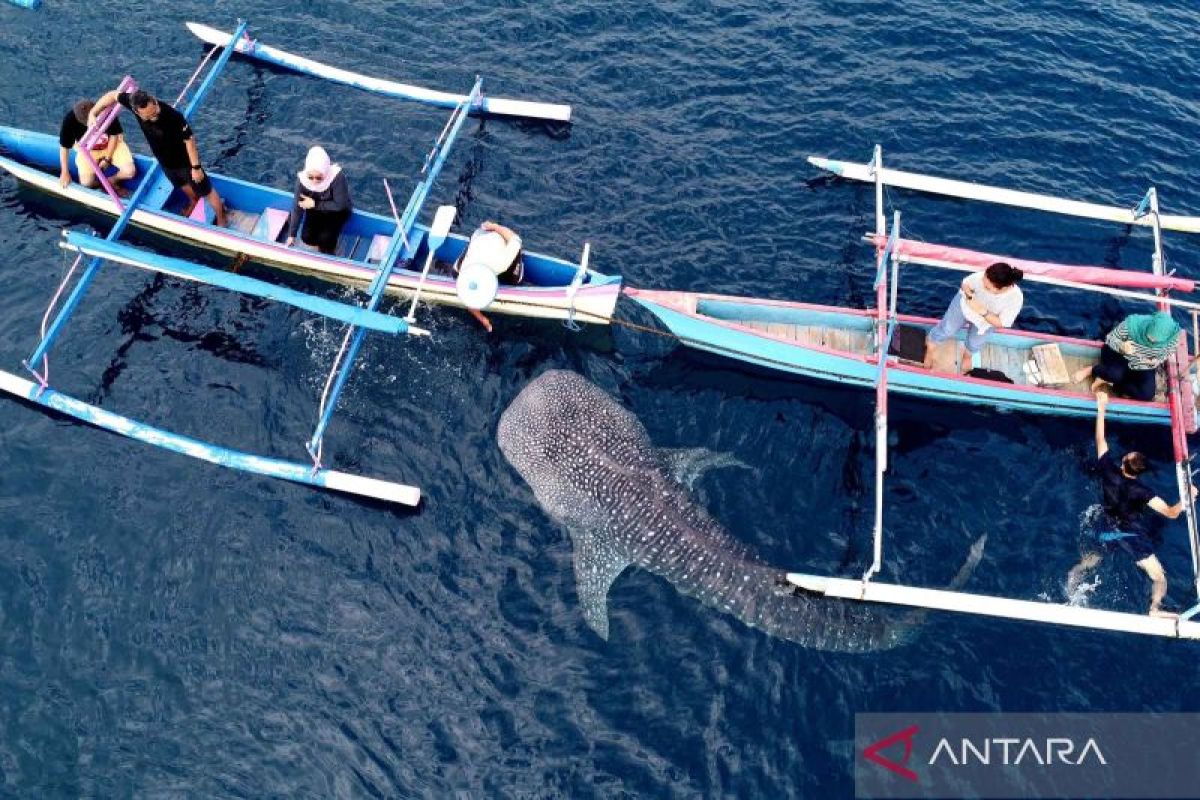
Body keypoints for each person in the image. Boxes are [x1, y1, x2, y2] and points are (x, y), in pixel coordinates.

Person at [1067, 391, 1197, 617]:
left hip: (1106, 524)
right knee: (1159, 577)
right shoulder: (1143, 492)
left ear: (1124, 462)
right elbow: (1172, 513)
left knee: (1091, 560)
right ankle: (1155, 608)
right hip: (1130, 533)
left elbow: (1100, 439)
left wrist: (1101, 407)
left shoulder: (1107, 470)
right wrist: (1189, 495)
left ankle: (1072, 582)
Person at [87, 88, 227, 226]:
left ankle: (222, 217)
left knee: (207, 190)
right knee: (181, 184)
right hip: (166, 163)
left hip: (186, 162)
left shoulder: (173, 116)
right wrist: (93, 112)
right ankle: (193, 200)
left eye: (154, 112)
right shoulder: (132, 101)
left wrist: (196, 168)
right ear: (136, 111)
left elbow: (190, 141)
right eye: (148, 116)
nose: (153, 117)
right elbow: (112, 95)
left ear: (153, 101)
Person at [924, 262, 1025, 374]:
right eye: (983, 279)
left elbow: (1001, 323)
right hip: (965, 306)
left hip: (986, 321)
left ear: (1002, 288)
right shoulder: (983, 277)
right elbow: (965, 284)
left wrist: (982, 312)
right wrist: (970, 297)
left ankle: (967, 357)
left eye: (986, 287)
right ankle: (931, 346)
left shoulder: (1015, 299)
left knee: (975, 342)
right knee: (947, 329)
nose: (982, 283)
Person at [1071, 311, 1180, 401]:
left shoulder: (1172, 340)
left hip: (1143, 364)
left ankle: (1108, 381)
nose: (1150, 341)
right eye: (1148, 336)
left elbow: (1167, 353)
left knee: (1146, 395)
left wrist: (1156, 360)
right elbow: (1110, 339)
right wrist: (1122, 346)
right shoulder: (1131, 325)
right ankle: (1092, 370)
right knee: (1114, 374)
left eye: (1156, 341)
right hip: (1120, 355)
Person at [452, 220, 524, 332]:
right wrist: (482, 319)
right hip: (480, 235)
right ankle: (470, 247)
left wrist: (494, 226)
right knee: (455, 273)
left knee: (515, 281)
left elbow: (516, 239)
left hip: (501, 238)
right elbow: (468, 296)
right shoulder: (464, 271)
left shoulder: (501, 264)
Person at [58, 99, 135, 195]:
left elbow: (114, 135)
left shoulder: (107, 112)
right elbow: (64, 147)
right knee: (86, 183)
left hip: (111, 144)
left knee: (129, 172)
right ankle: (101, 184)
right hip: (87, 149)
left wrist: (107, 158)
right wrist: (64, 172)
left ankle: (111, 180)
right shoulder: (69, 121)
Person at [285, 146, 352, 255]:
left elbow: (340, 205)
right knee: (307, 237)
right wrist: (291, 235)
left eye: (319, 178)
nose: (314, 181)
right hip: (315, 208)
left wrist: (315, 204)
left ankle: (329, 250)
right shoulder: (302, 181)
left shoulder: (338, 178)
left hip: (337, 211)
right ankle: (320, 247)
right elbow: (297, 208)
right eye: (310, 177)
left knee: (326, 239)